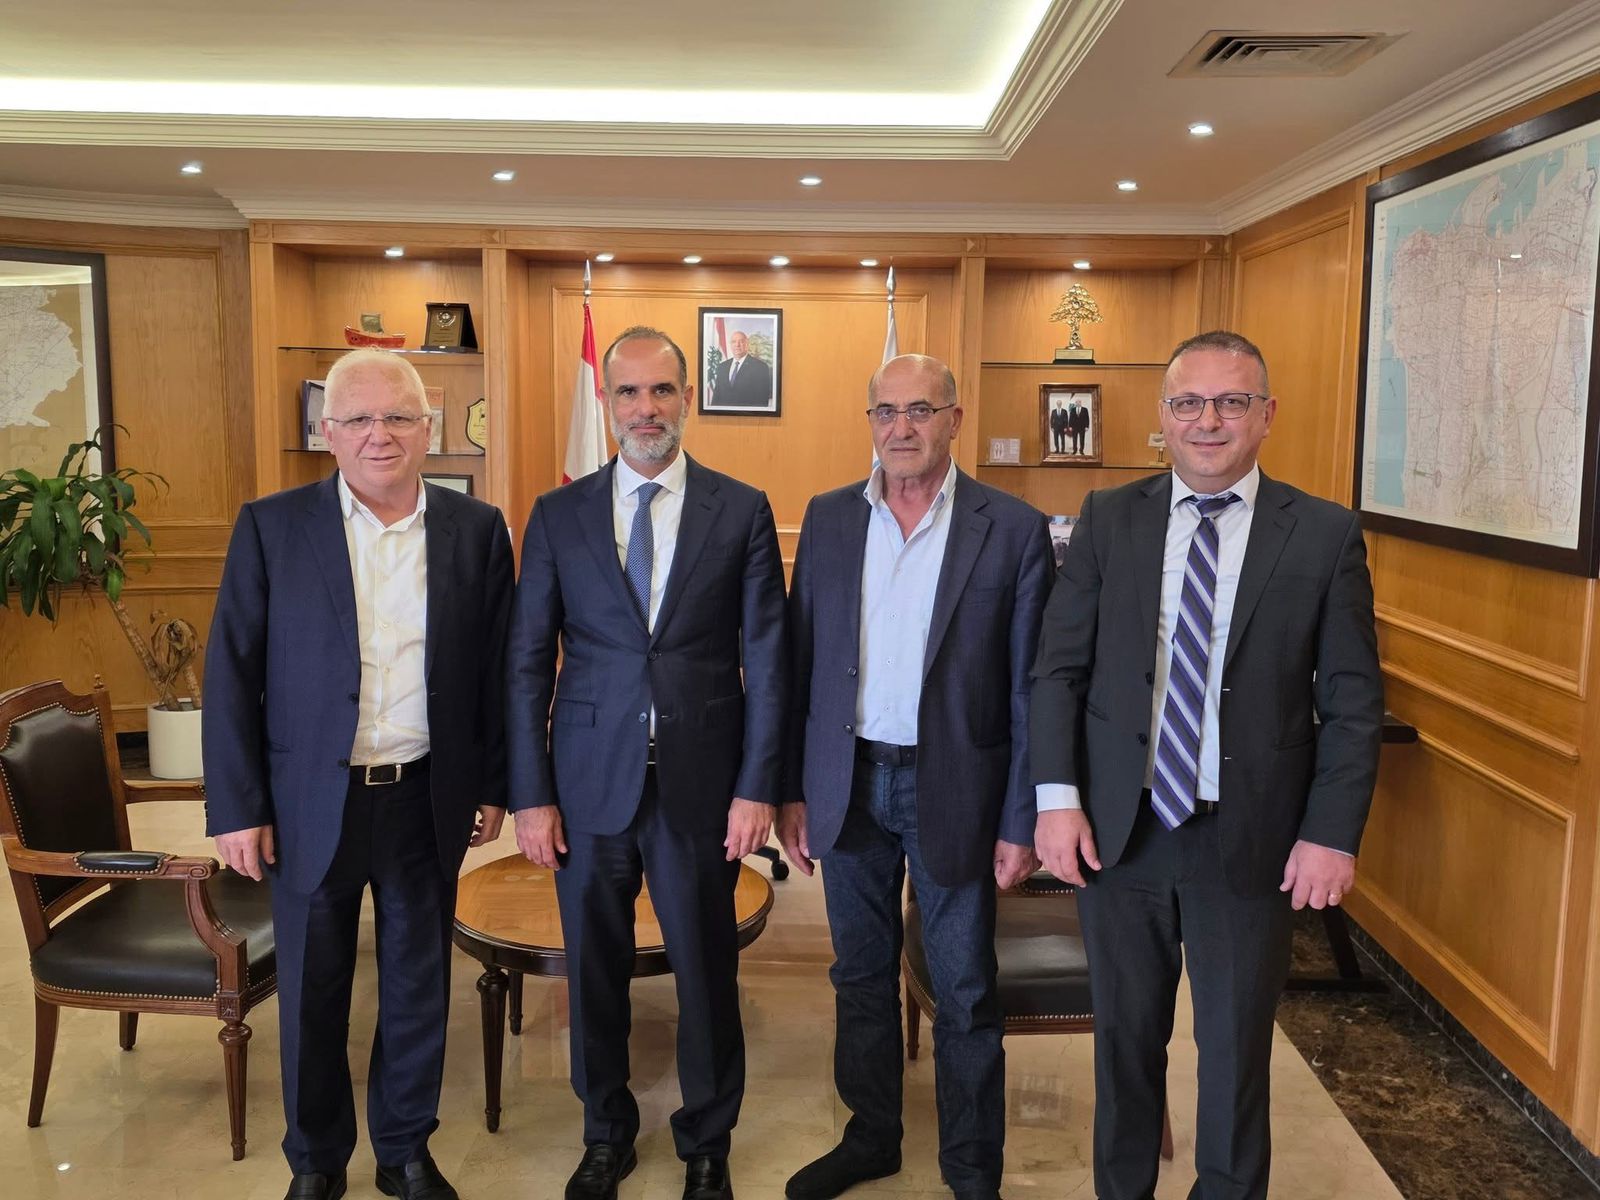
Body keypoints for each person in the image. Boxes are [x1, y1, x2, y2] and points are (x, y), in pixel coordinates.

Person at [1029, 330, 1383, 1200]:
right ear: (1164, 416)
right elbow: (1059, 670)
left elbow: (1352, 703)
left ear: (1267, 415)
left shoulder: (1324, 534)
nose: (1209, 421)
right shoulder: (1110, 517)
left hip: (1250, 840)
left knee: (1233, 1056)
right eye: (1189, 402)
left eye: (1231, 402)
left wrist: (1331, 834)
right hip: (1124, 832)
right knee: (1124, 1047)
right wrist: (1057, 799)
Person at [204, 348, 514, 1200]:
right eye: (359, 418)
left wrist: (495, 783)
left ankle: (404, 1150)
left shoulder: (477, 530)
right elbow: (231, 672)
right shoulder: (272, 527)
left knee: (418, 984)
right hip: (309, 800)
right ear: (327, 432)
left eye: (399, 416)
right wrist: (236, 806)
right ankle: (316, 1161)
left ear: (428, 428)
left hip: (425, 794)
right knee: (313, 989)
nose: (381, 434)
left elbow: (495, 670)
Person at [507, 326, 788, 1200]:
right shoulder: (558, 515)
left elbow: (769, 661)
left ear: (687, 399)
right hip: (588, 783)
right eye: (627, 393)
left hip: (701, 785)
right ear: (606, 403)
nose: (646, 409)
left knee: (705, 970)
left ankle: (708, 1140)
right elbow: (527, 662)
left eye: (662, 390)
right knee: (593, 972)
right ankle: (606, 1133)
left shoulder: (741, 510)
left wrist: (758, 788)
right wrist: (530, 795)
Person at [779, 354, 1053, 1200]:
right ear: (870, 422)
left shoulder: (1011, 529)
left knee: (964, 989)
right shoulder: (829, 518)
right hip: (848, 783)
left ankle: (971, 1168)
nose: (901, 428)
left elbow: (1031, 688)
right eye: (886, 412)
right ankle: (872, 1137)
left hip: (956, 789)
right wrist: (793, 788)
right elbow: (798, 665)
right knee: (859, 974)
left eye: (920, 411)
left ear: (954, 420)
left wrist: (1020, 819)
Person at [709, 329, 774, 409]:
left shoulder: (760, 367)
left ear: (747, 344)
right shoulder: (722, 367)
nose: (737, 345)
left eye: (741, 341)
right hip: (723, 415)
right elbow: (716, 397)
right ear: (730, 345)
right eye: (734, 342)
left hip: (747, 415)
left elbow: (761, 402)